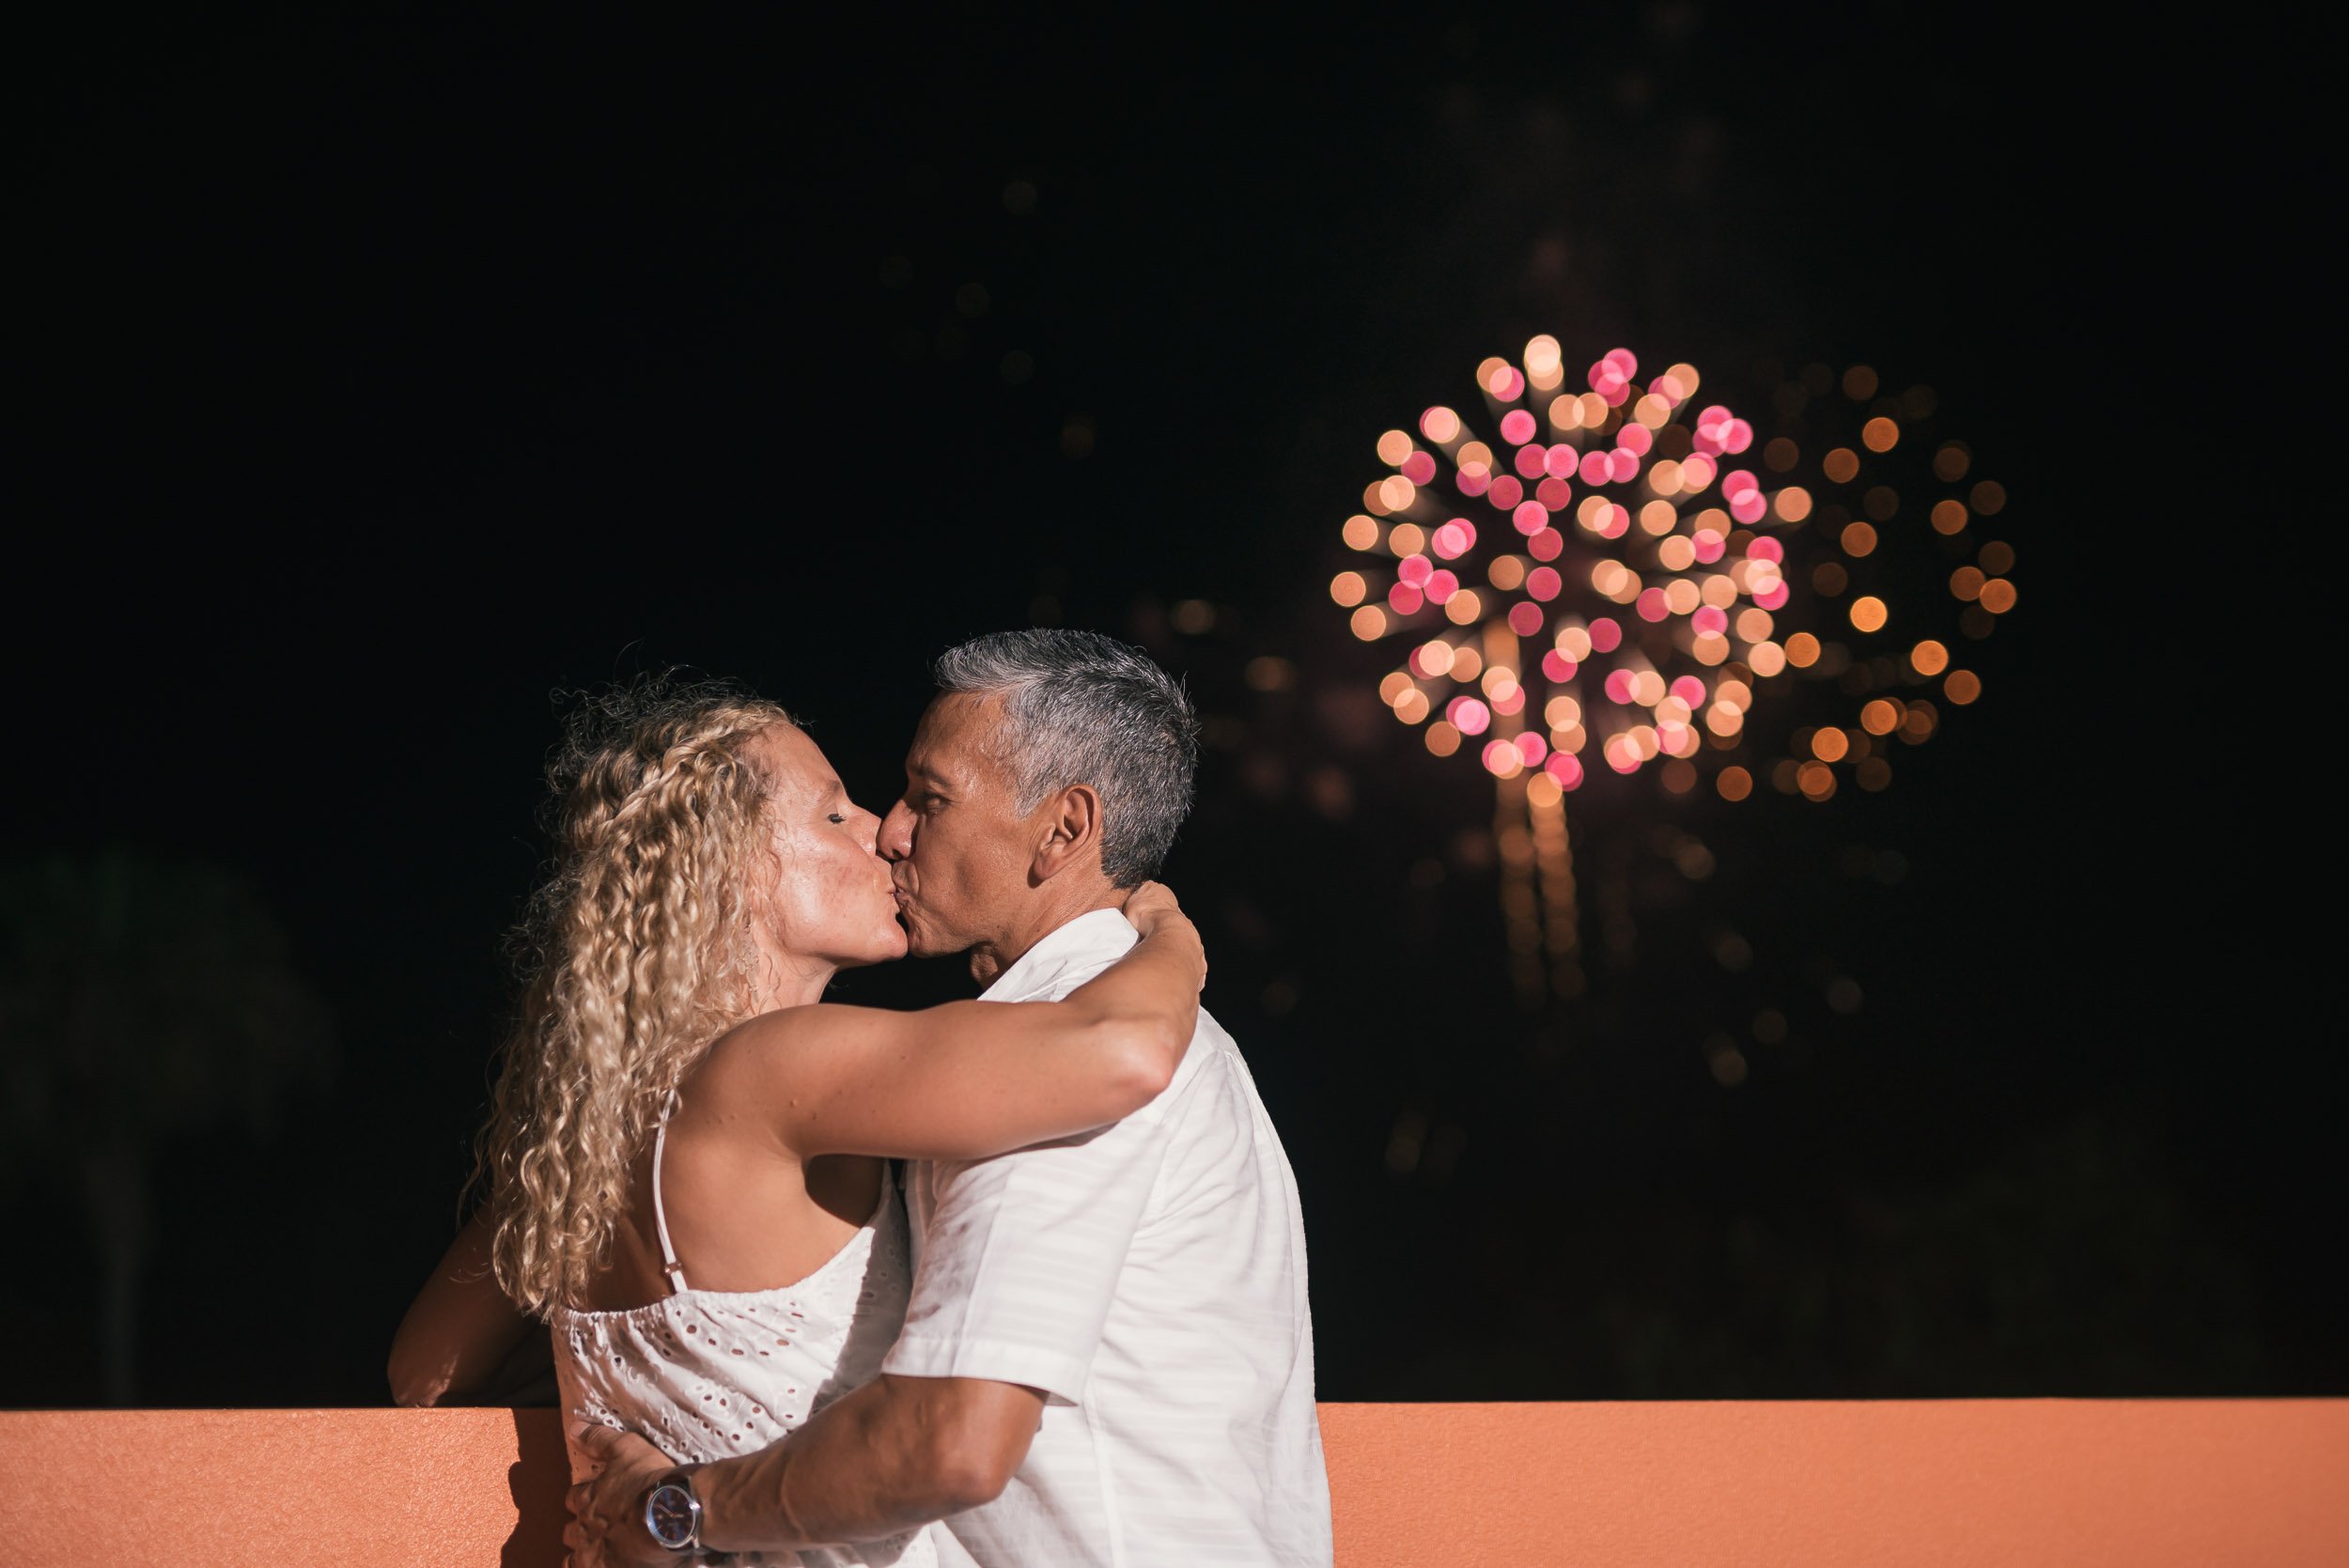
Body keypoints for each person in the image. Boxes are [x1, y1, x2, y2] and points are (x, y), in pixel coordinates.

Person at [387, 675, 1210, 1568]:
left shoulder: (589, 1138)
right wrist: (1171, 937)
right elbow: (1121, 1051)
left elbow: (425, 1370)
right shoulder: (778, 1066)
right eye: (832, 816)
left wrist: (657, 1451)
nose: (884, 834)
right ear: (726, 867)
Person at [566, 630, 1333, 1567]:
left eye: (929, 799)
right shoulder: (1043, 1044)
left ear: (1061, 830)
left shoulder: (1054, 1057)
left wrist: (674, 1509)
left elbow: (954, 1441)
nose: (891, 830)